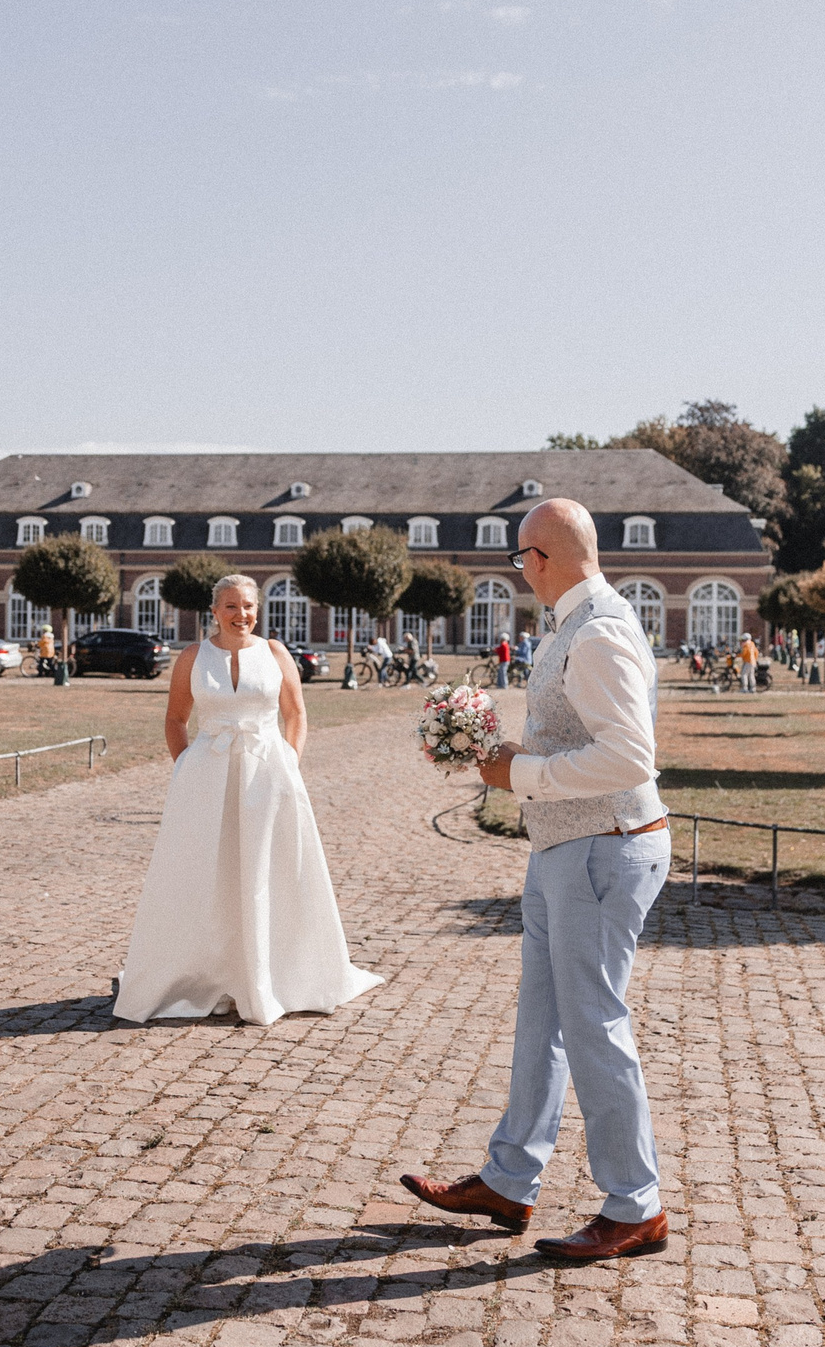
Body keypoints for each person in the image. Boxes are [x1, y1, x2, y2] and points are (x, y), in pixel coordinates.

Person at [400, 499, 673, 1263]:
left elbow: (630, 758)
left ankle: (635, 1204)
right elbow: (587, 736)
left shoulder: (598, 631)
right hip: (568, 846)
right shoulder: (577, 623)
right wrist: (524, 754)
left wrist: (519, 771)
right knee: (543, 1020)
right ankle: (511, 1177)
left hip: (602, 846)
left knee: (594, 1025)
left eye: (522, 558)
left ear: (543, 557)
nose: (520, 572)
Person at [113, 575, 385, 1025]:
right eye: (231, 607)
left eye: (249, 607)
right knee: (206, 871)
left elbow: (296, 713)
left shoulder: (275, 653)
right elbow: (175, 718)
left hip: (268, 774)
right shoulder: (192, 657)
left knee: (269, 867)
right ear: (214, 611)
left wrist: (289, 763)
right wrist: (186, 767)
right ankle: (202, 973)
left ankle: (275, 971)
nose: (242, 615)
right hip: (206, 778)